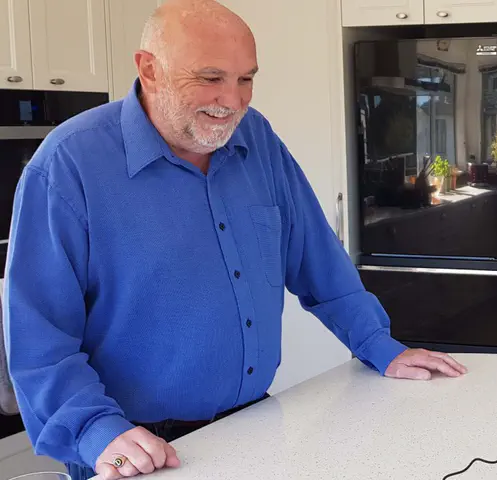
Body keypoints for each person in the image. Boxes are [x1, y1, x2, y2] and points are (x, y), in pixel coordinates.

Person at [2, 1, 468, 479]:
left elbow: (316, 258)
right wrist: (98, 433)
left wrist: (379, 344)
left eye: (246, 78)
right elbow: (39, 339)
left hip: (255, 424)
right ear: (149, 69)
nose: (233, 100)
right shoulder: (67, 165)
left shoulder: (257, 138)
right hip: (137, 451)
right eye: (210, 77)